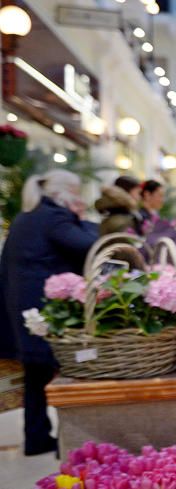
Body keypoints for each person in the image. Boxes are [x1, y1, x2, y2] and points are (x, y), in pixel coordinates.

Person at [0, 169, 97, 455]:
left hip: (22, 309)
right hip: (45, 312)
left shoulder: (27, 215)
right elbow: (89, 245)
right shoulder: (53, 217)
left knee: (36, 375)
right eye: (78, 194)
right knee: (72, 369)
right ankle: (73, 440)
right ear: (65, 194)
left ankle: (37, 437)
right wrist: (83, 221)